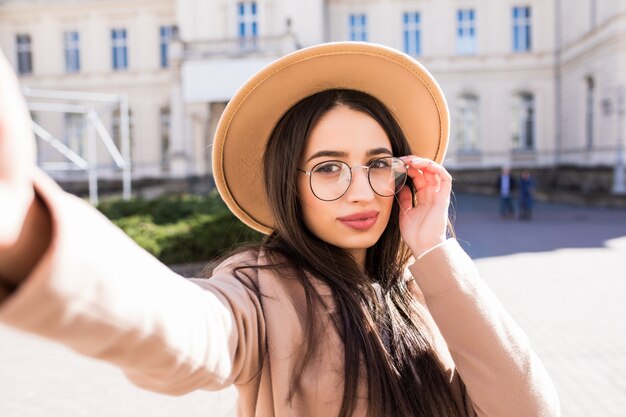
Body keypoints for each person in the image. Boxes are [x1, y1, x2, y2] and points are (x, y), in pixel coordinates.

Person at [0, 43, 559, 417]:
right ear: (288, 184)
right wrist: (29, 232)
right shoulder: (261, 289)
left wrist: (435, 249)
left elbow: (528, 408)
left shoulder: (426, 289)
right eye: (328, 168)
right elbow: (188, 332)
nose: (361, 191)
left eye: (378, 163)